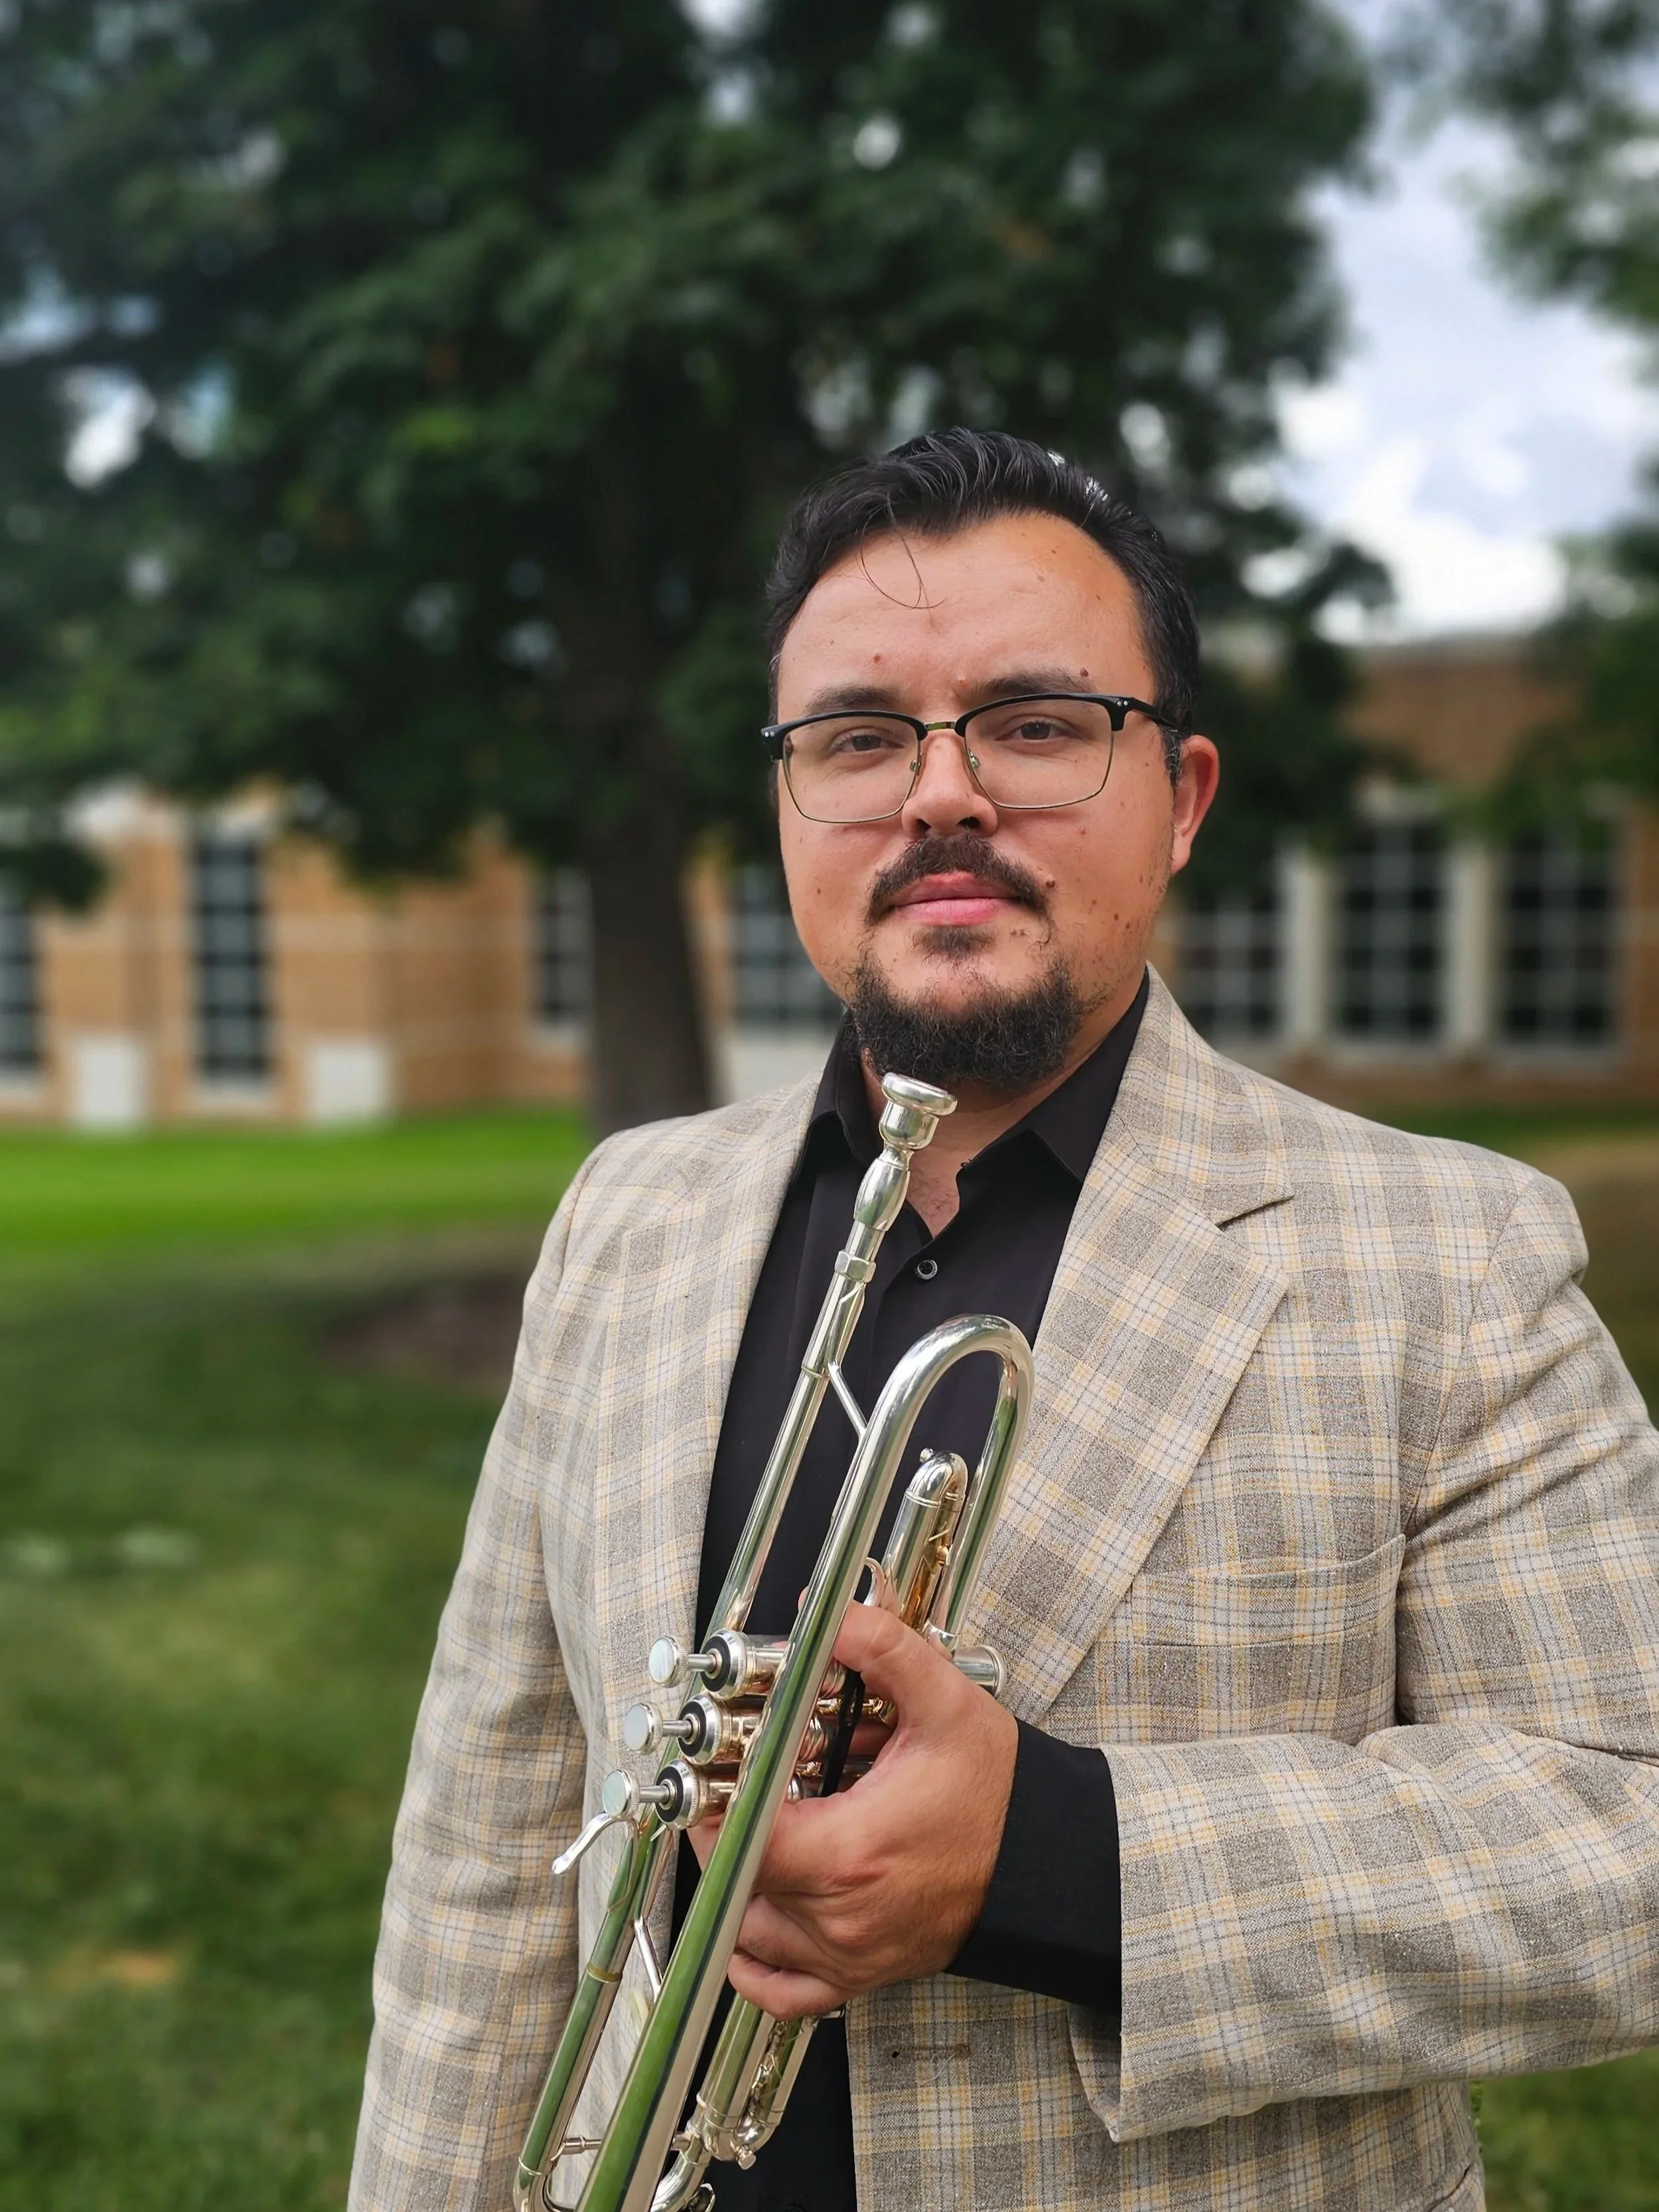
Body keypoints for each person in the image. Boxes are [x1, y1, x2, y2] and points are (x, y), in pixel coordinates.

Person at [350, 430, 1659, 2212]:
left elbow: (1623, 1834)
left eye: (1036, 724)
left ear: (1181, 793)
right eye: (860, 735)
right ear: (791, 803)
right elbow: (491, 1835)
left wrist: (1056, 1854)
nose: (940, 793)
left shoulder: (1446, 1253)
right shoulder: (624, 1218)